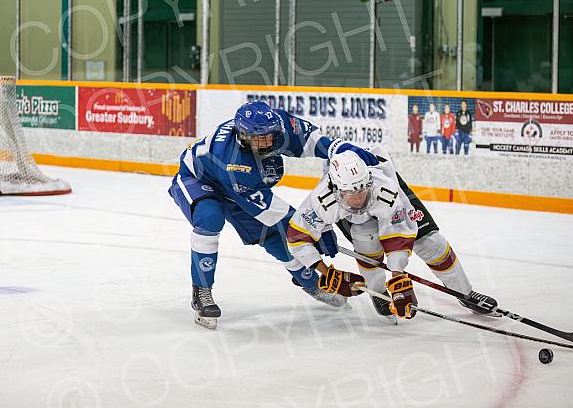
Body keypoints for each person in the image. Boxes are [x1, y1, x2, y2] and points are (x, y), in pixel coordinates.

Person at [168, 101, 376, 329]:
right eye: (259, 138)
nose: (267, 141)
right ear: (243, 136)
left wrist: (343, 149)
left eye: (270, 135)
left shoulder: (280, 125)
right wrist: (313, 230)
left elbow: (313, 142)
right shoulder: (236, 164)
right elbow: (275, 213)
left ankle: (312, 284)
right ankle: (202, 292)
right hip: (197, 179)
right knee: (211, 219)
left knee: (276, 237)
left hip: (237, 188)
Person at [285, 144, 498, 323]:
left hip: (389, 192)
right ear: (336, 188)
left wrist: (398, 277)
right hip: (352, 213)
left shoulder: (384, 189)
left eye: (362, 191)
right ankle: (378, 293)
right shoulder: (322, 200)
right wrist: (326, 272)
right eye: (351, 193)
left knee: (431, 244)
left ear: (368, 182)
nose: (359, 199)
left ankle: (465, 293)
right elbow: (297, 238)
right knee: (367, 243)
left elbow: (397, 235)